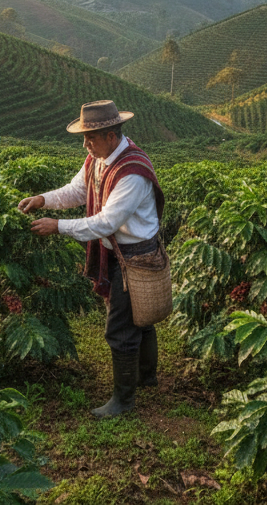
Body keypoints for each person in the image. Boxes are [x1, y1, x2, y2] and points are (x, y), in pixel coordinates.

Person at [18, 100, 165, 418]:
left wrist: (57, 227)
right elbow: (76, 190)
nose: (86, 145)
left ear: (111, 136)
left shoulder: (132, 173)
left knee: (123, 327)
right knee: (138, 318)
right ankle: (146, 377)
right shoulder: (97, 160)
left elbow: (106, 223)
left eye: (91, 138)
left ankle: (123, 401)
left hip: (135, 256)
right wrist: (43, 200)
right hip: (117, 252)